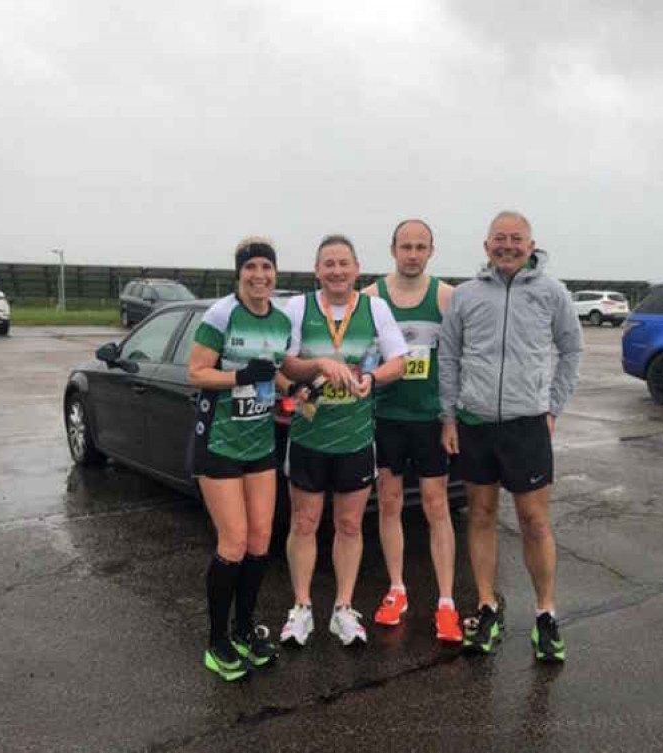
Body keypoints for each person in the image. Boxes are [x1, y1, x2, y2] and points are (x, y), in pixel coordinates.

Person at [438, 211, 583, 662]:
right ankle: (486, 606)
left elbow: (572, 348)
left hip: (526, 425)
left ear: (531, 244)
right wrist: (449, 417)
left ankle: (545, 613)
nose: (507, 245)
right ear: (486, 246)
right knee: (480, 515)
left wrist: (552, 408)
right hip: (476, 423)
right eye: (499, 239)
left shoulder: (551, 292)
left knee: (534, 522)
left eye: (515, 239)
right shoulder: (465, 295)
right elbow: (449, 357)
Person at [279, 235, 407, 647]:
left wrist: (372, 378)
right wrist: (314, 367)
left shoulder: (376, 308)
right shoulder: (298, 307)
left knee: (349, 524)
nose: (336, 271)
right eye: (328, 264)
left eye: (343, 263)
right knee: (304, 522)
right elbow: (283, 365)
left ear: (356, 269)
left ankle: (343, 609)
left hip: (355, 438)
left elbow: (399, 362)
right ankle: (301, 608)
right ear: (317, 270)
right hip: (308, 434)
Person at [188, 237, 292, 681]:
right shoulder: (221, 315)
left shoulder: (282, 320)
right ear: (239, 274)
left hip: (260, 445)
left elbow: (279, 372)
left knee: (261, 541)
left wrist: (298, 390)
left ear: (275, 273)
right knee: (232, 541)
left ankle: (245, 630)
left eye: (266, 267)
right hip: (219, 443)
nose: (259, 275)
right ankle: (217, 642)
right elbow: (196, 372)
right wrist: (238, 377)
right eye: (251, 268)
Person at [361, 219, 462, 643]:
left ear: (432, 251)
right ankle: (397, 589)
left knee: (437, 506)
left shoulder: (446, 296)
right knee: (389, 502)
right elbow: (360, 355)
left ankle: (446, 602)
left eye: (421, 247)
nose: (413, 254)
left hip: (429, 420)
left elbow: (459, 359)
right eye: (406, 246)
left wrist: (450, 417)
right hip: (387, 418)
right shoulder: (370, 297)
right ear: (393, 249)